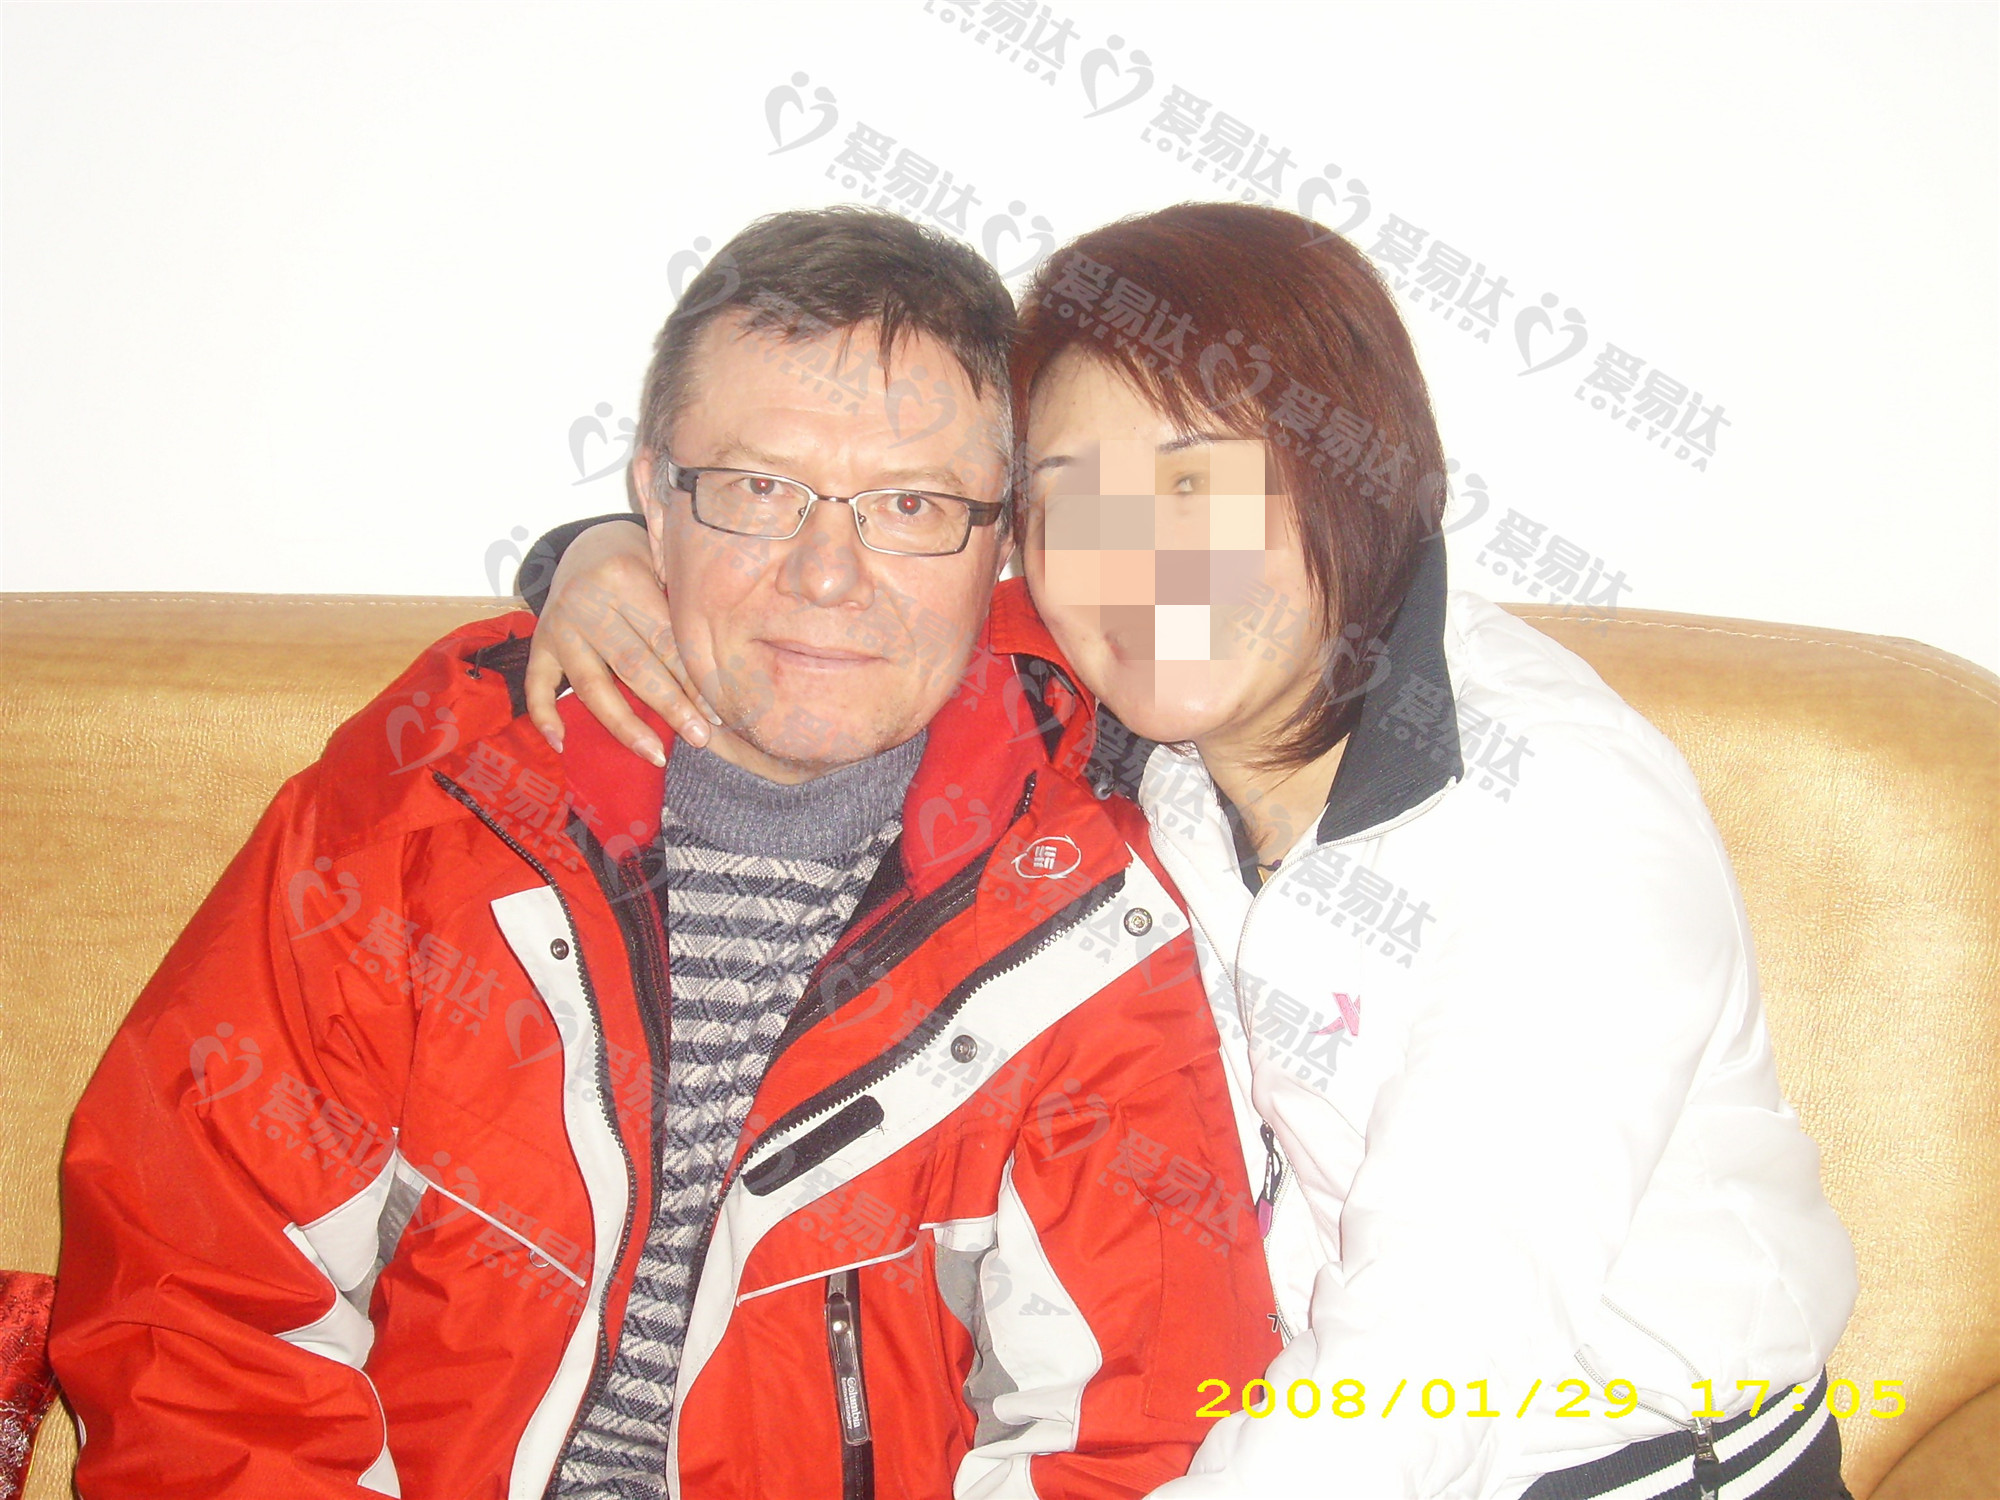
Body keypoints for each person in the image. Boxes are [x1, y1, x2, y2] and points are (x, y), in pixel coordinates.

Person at [524, 202, 1859, 1500]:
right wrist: (599, 556)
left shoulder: (1559, 823)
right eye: (1074, 503)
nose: (1138, 566)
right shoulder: (1157, 716)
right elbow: (864, 615)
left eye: (1194, 486)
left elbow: (1427, 1369)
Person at [48, 207, 1282, 1500]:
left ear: (1003, 542)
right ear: (652, 497)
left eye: (912, 504)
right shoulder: (429, 802)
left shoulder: (1088, 900)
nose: (827, 574)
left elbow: (1133, 1431)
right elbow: (194, 1309)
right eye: (759, 490)